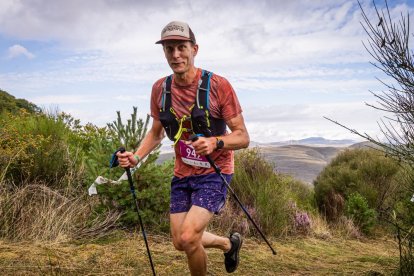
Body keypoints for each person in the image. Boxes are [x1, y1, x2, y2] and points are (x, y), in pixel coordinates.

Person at [117, 21, 250, 275]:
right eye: (169, 49)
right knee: (180, 241)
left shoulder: (218, 86)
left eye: (181, 47)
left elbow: (243, 137)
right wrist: (136, 157)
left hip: (215, 172)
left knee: (189, 237)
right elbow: (156, 134)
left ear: (194, 49)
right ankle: (227, 243)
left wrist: (215, 142)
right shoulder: (160, 88)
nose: (175, 55)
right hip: (182, 173)